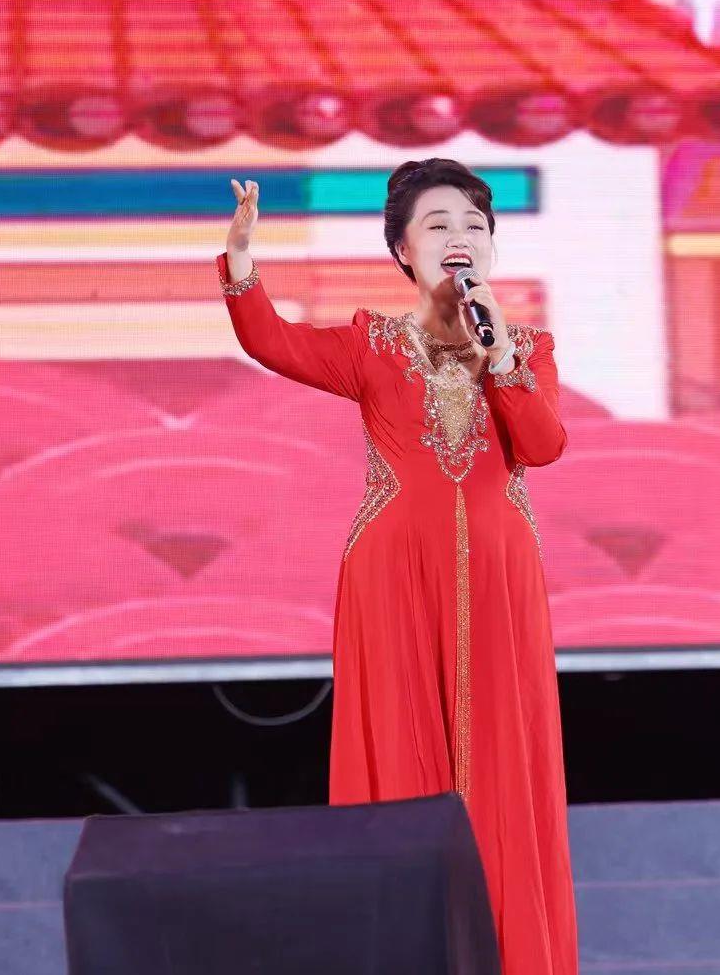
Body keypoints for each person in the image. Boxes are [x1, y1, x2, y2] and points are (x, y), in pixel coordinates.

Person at [219, 160, 577, 974]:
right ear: (403, 252)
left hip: (501, 582)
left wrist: (501, 355)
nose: (460, 237)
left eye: (475, 225)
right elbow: (270, 340)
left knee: (504, 763)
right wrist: (240, 262)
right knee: (404, 761)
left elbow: (543, 445)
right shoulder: (371, 347)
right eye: (438, 225)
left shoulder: (528, 348)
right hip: (393, 577)